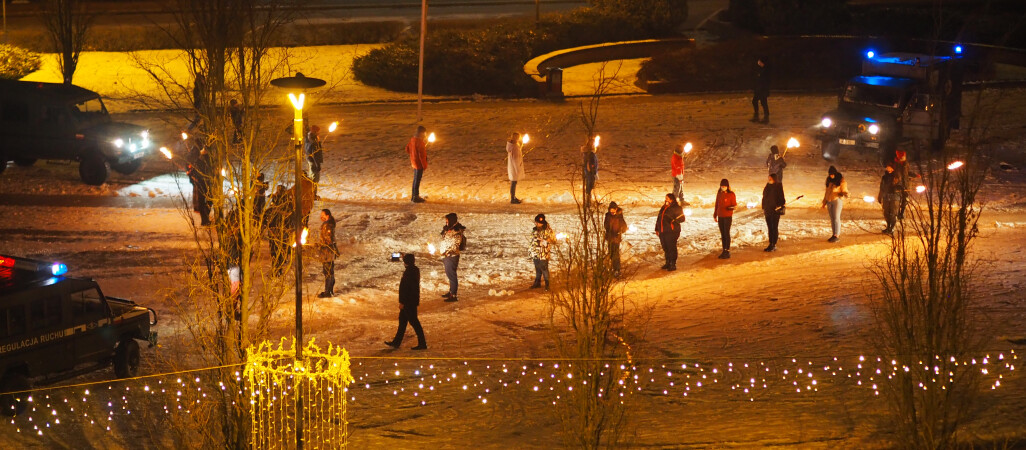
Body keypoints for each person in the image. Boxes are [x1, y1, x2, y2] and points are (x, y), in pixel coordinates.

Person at [385, 253, 427, 350]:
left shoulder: (409, 272)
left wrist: (402, 302)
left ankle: (422, 344)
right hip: (412, 301)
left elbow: (406, 289)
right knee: (403, 322)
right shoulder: (414, 270)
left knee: (414, 323)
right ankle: (396, 342)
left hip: (408, 302)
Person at [439, 212, 466, 302]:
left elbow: (455, 245)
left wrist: (447, 252)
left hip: (451, 256)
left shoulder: (457, 231)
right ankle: (451, 291)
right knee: (449, 274)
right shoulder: (448, 229)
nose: (446, 222)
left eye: (447, 221)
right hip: (446, 255)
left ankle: (453, 295)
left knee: (452, 275)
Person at [655, 193, 685, 271]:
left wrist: (672, 221)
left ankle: (672, 264)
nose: (666, 200)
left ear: (671, 199)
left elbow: (682, 218)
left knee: (671, 247)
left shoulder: (676, 208)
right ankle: (668, 262)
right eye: (665, 198)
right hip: (663, 231)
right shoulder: (664, 207)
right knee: (665, 247)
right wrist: (657, 229)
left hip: (671, 231)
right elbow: (659, 218)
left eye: (667, 198)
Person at [821, 166, 849, 242]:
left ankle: (837, 235)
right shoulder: (829, 180)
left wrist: (845, 194)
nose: (831, 176)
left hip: (837, 200)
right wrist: (824, 202)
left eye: (832, 174)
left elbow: (845, 190)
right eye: (830, 174)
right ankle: (833, 234)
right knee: (832, 219)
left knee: (836, 218)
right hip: (829, 201)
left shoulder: (841, 181)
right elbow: (826, 192)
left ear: (835, 173)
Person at [529, 214, 556, 289]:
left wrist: (546, 241)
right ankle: (537, 283)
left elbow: (554, 240)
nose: (536, 224)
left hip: (543, 253)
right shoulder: (534, 230)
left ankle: (547, 284)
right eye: (536, 222)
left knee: (544, 268)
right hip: (535, 252)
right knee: (537, 268)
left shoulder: (548, 231)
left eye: (538, 222)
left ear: (542, 223)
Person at [317, 209, 338, 298]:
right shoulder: (330, 224)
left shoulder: (327, 225)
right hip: (329, 251)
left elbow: (328, 240)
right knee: (329, 271)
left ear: (327, 216)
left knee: (328, 272)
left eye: (323, 215)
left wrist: (320, 245)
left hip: (327, 252)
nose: (321, 216)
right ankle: (330, 291)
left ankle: (327, 292)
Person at [713, 179, 737, 259]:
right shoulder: (719, 194)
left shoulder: (731, 194)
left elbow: (734, 205)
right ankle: (724, 250)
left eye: (724, 186)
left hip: (727, 216)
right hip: (720, 216)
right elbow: (717, 204)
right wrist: (715, 214)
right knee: (722, 234)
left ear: (727, 186)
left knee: (726, 233)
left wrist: (730, 208)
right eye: (722, 186)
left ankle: (727, 250)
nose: (723, 187)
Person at [762, 173, 786, 252]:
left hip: (775, 211)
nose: (769, 180)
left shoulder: (778, 186)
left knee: (774, 227)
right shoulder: (767, 186)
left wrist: (779, 205)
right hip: (768, 210)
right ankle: (770, 243)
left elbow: (782, 199)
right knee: (770, 228)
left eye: (770, 178)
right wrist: (764, 207)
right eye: (768, 178)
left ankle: (774, 244)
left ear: (774, 179)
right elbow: (764, 197)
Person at [604, 201, 627, 276]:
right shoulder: (607, 215)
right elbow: (605, 225)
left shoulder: (619, 216)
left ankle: (617, 269)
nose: (612, 212)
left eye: (613, 210)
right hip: (610, 237)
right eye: (611, 210)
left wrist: (621, 231)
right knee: (611, 253)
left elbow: (624, 226)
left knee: (616, 254)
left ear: (616, 209)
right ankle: (613, 268)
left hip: (616, 238)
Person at [406, 126, 429, 203]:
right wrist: (424, 165)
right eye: (424, 133)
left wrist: (413, 153)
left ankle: (413, 196)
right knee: (417, 180)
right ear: (421, 133)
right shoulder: (420, 143)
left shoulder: (412, 140)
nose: (425, 135)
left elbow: (407, 149)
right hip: (419, 164)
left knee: (415, 179)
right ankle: (416, 197)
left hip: (414, 162)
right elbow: (422, 156)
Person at [878, 164, 901, 234]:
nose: (887, 168)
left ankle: (891, 228)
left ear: (893, 168)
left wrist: (897, 189)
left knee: (893, 213)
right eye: (887, 167)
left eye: (889, 167)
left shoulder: (897, 176)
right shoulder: (884, 177)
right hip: (886, 197)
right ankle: (888, 227)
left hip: (895, 197)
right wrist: (880, 196)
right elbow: (882, 187)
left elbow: (901, 186)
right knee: (886, 213)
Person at [507, 132, 525, 204]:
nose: (517, 139)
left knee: (514, 182)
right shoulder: (514, 146)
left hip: (514, 166)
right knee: (513, 182)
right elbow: (515, 158)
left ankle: (513, 197)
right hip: (514, 167)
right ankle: (512, 199)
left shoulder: (513, 145)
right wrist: (517, 169)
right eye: (516, 137)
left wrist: (521, 146)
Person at [751, 58, 770, 124]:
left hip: (763, 90)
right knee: (754, 101)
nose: (758, 63)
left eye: (759, 62)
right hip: (758, 89)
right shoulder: (760, 69)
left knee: (764, 103)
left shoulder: (766, 70)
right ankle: (756, 116)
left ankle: (766, 117)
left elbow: (766, 81)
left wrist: (765, 90)